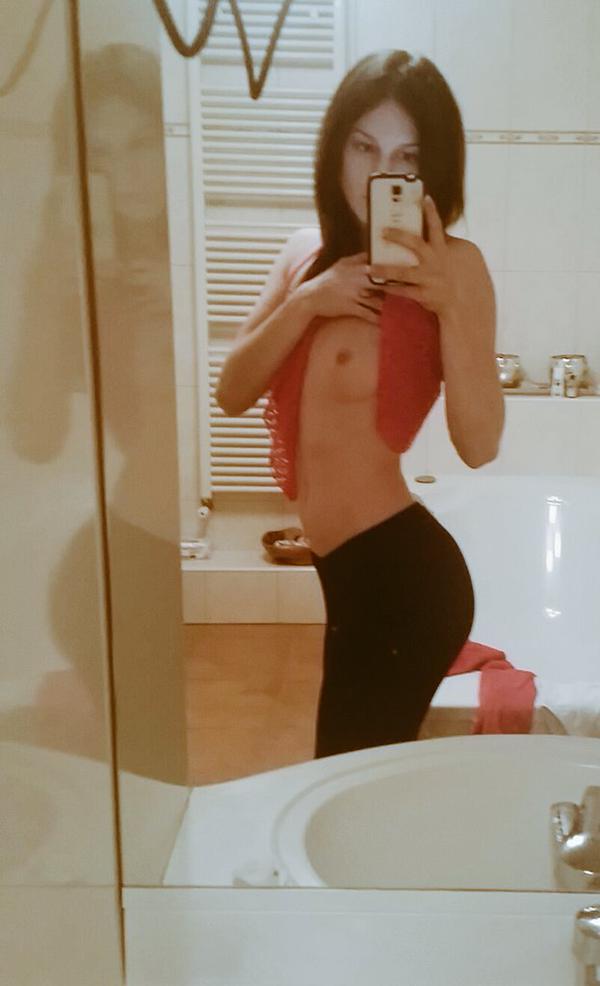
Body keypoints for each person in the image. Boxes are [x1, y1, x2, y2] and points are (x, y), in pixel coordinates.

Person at [216, 49, 505, 758]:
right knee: (349, 772)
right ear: (336, 150)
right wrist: (309, 302)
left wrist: (450, 309)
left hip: (403, 578)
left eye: (407, 157)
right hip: (344, 574)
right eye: (364, 147)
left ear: (433, 170)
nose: (381, 174)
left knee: (342, 771)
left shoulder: (457, 268)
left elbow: (479, 444)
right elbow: (233, 391)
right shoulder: (302, 255)